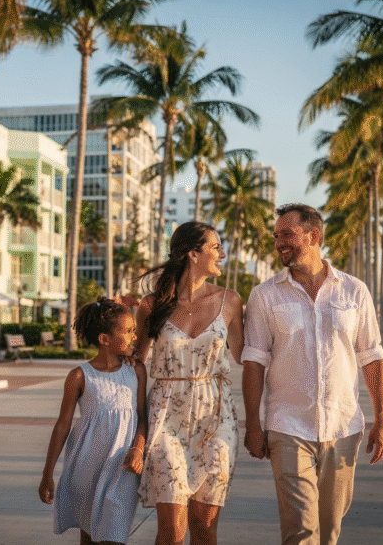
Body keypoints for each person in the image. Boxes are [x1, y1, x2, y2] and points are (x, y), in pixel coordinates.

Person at [242, 203, 383, 545]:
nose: (279, 243)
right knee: (301, 532)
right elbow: (254, 361)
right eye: (277, 236)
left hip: (343, 427)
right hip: (288, 426)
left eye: (287, 235)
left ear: (314, 236)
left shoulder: (354, 291)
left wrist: (381, 419)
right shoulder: (265, 295)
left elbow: (371, 357)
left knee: (329, 530)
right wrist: (254, 423)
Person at [133, 221, 244, 545]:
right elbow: (137, 362)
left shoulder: (231, 301)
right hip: (166, 416)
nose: (222, 254)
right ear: (193, 254)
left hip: (216, 418)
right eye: (215, 247)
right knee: (171, 530)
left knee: (205, 527)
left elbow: (246, 356)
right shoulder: (152, 305)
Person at [39, 297, 147, 545]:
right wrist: (47, 474)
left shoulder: (136, 370)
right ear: (104, 339)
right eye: (128, 331)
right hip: (85, 468)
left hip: (123, 468)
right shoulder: (78, 376)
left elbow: (142, 416)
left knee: (113, 536)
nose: (134, 336)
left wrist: (139, 449)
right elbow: (62, 425)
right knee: (88, 537)